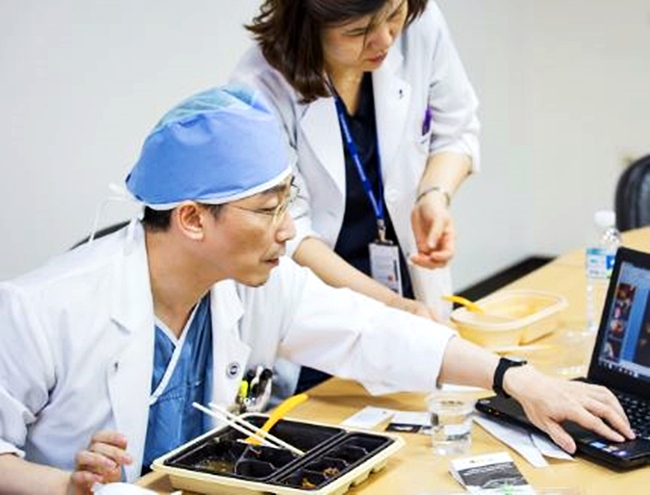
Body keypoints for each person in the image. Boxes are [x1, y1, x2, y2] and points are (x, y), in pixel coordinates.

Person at [0, 86, 634, 495]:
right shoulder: (39, 310)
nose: (288, 230)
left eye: (289, 202)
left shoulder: (252, 286)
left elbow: (372, 332)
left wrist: (516, 379)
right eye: (267, 209)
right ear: (192, 218)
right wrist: (65, 487)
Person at [230, 0, 480, 391]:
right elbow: (291, 231)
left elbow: (457, 129)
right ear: (308, 26)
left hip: (411, 294)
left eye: (393, 14)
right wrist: (390, 308)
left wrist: (434, 195)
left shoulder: (419, 24)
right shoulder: (260, 87)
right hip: (320, 316)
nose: (385, 39)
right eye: (358, 31)